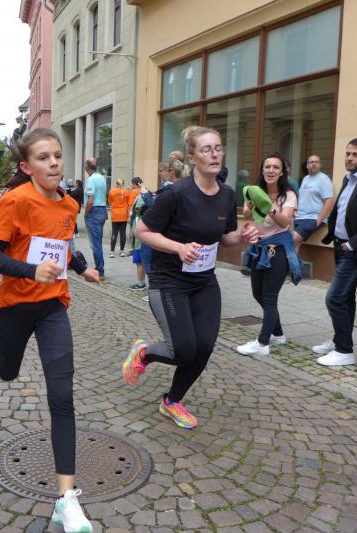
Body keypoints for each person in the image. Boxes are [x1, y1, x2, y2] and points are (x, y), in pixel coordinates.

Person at [0, 128, 99, 532]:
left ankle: (66, 499)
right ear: (27, 167)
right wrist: (31, 271)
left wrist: (81, 268)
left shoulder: (69, 204)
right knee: (7, 372)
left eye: (57, 156)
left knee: (62, 395)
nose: (53, 163)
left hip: (52, 306)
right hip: (14, 307)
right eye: (44, 158)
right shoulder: (15, 201)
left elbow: (62, 244)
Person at [121, 127, 241, 429]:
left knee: (204, 347)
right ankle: (144, 353)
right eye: (206, 149)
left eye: (218, 148)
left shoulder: (227, 194)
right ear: (192, 157)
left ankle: (171, 401)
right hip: (169, 282)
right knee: (183, 349)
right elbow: (142, 231)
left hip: (204, 282)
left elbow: (225, 237)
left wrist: (245, 237)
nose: (214, 154)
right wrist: (178, 247)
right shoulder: (176, 194)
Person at [315, 138, 357, 366]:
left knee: (334, 298)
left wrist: (352, 243)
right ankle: (339, 340)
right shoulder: (348, 178)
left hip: (354, 250)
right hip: (340, 245)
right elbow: (343, 209)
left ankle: (344, 351)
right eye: (348, 154)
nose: (350, 158)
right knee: (346, 298)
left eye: (355, 155)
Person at [236, 154, 302, 357]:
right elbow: (247, 215)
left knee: (269, 296)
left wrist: (268, 206)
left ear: (282, 172)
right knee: (258, 294)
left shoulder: (288, 195)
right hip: (259, 247)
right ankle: (278, 334)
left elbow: (284, 222)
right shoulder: (255, 190)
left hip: (279, 250)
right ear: (262, 170)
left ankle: (262, 343)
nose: (271, 170)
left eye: (276, 167)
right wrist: (252, 204)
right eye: (267, 167)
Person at [294, 154, 334, 248]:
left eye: (317, 162)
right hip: (299, 217)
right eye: (311, 162)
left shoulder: (323, 179)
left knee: (293, 239)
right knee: (294, 245)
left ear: (320, 165)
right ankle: (293, 258)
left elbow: (329, 200)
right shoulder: (305, 179)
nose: (314, 164)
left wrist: (319, 219)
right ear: (307, 165)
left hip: (312, 218)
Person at [83, 158, 108, 279]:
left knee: (95, 244)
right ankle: (99, 267)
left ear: (86, 168)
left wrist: (86, 213)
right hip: (102, 210)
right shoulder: (102, 177)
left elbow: (90, 200)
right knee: (97, 241)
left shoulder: (91, 179)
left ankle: (100, 271)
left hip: (94, 212)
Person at [128, 177, 153, 291]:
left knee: (141, 258)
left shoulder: (140, 194)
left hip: (140, 228)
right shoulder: (148, 193)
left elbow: (135, 209)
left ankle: (142, 284)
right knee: (142, 258)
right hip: (143, 227)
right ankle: (142, 284)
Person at [108, 178, 130, 258]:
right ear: (123, 184)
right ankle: (122, 251)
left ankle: (112, 252)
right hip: (124, 214)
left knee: (114, 233)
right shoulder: (127, 192)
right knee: (123, 233)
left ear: (116, 184)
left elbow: (109, 202)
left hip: (115, 214)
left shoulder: (112, 191)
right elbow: (129, 202)